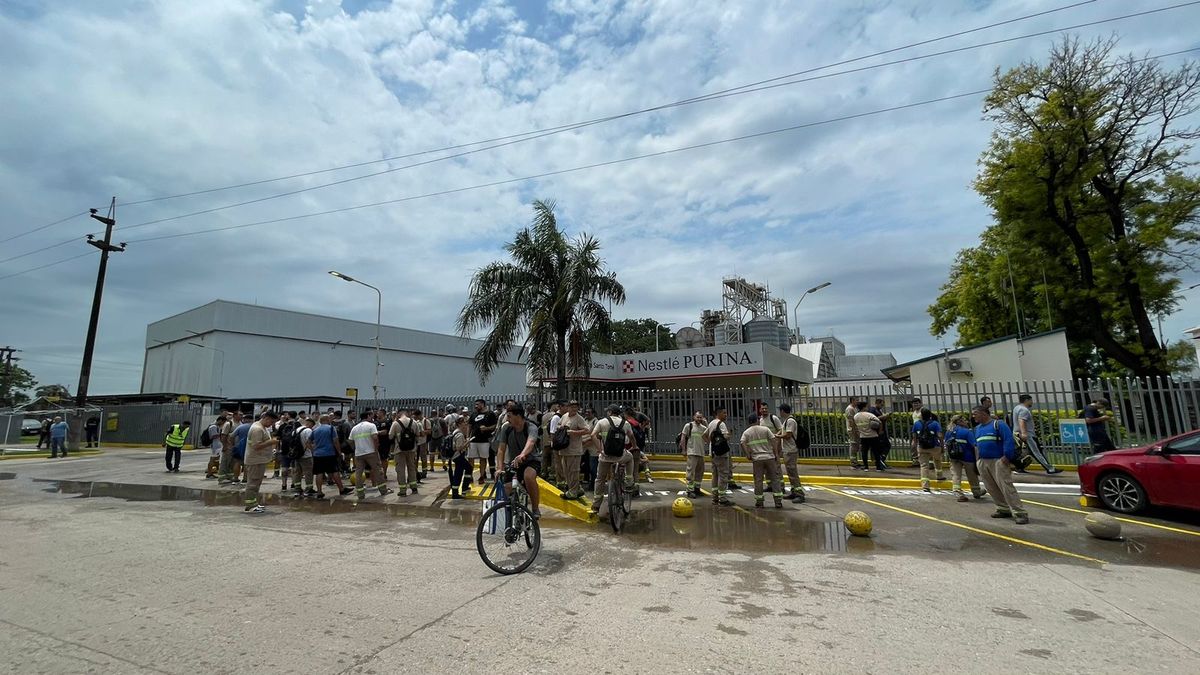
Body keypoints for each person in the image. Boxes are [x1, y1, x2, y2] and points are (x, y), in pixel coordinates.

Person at [972, 406, 1028, 524]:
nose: (973, 416)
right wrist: (977, 461)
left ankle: (1019, 512)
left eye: (975, 413)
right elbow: (976, 445)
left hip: (998, 460)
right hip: (983, 461)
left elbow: (1008, 440)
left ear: (983, 413)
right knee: (991, 487)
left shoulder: (998, 424)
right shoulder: (977, 429)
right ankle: (1003, 508)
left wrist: (1007, 456)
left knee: (1006, 486)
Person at [589, 405, 636, 516]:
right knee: (630, 458)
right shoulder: (625, 423)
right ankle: (629, 481)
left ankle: (596, 506)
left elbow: (592, 435)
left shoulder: (602, 422)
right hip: (620, 456)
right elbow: (632, 437)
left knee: (600, 479)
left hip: (605, 456)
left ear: (610, 412)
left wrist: (600, 450)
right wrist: (634, 446)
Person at [496, 405, 542, 519]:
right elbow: (501, 449)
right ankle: (511, 514)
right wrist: (499, 468)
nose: (507, 419)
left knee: (528, 476)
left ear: (518, 416)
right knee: (506, 486)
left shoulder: (531, 427)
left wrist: (522, 454)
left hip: (531, 461)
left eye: (509, 416)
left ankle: (535, 509)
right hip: (514, 463)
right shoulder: (506, 428)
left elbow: (531, 442)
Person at [742, 414, 785, 509]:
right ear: (757, 420)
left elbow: (742, 442)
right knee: (775, 479)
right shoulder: (765, 429)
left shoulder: (747, 432)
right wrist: (776, 454)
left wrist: (748, 454)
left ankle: (759, 502)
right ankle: (778, 502)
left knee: (758, 480)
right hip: (769, 457)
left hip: (757, 459)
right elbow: (773, 440)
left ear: (749, 422)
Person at [1013, 394, 1061, 474]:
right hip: (1028, 435)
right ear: (1027, 400)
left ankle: (1019, 467)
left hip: (1018, 433)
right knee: (1037, 452)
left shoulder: (1016, 408)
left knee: (1026, 452)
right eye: (1031, 400)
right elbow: (1022, 421)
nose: (1032, 402)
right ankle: (1050, 468)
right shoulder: (1024, 410)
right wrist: (1024, 433)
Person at [243, 411, 280, 513]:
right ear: (266, 418)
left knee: (257, 483)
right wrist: (271, 442)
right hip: (255, 460)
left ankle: (254, 502)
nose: (271, 424)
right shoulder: (257, 429)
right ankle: (250, 504)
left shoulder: (262, 428)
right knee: (253, 483)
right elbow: (256, 446)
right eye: (271, 421)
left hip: (259, 460)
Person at [350, 411, 391, 501]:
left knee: (359, 473)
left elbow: (350, 441)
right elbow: (375, 438)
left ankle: (360, 493)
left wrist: (356, 449)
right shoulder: (371, 426)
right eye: (371, 416)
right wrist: (376, 450)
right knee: (378, 471)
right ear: (368, 416)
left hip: (359, 453)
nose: (373, 418)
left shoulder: (354, 428)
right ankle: (383, 490)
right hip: (371, 452)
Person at [945, 415, 985, 502]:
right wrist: (977, 458)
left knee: (956, 475)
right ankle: (976, 492)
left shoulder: (949, 432)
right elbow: (974, 446)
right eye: (964, 420)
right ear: (959, 421)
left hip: (954, 457)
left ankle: (957, 492)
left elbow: (946, 444)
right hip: (968, 457)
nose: (966, 421)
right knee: (972, 475)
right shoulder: (967, 432)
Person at [311, 414, 351, 498]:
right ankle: (341, 489)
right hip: (329, 453)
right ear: (326, 420)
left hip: (318, 454)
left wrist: (313, 450)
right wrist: (339, 452)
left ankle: (319, 492)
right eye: (329, 418)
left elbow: (308, 442)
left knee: (319, 473)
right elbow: (335, 441)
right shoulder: (331, 428)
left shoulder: (315, 430)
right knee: (334, 471)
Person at [558, 400, 590, 500]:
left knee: (573, 471)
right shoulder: (564, 416)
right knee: (566, 471)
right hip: (564, 449)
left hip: (574, 450)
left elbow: (587, 430)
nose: (573, 409)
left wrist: (574, 432)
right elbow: (558, 425)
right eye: (572, 407)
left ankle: (573, 491)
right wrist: (562, 428)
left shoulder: (579, 418)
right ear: (568, 407)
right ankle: (577, 488)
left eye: (575, 407)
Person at [774, 403, 806, 502]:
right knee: (790, 473)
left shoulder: (790, 421)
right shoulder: (786, 421)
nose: (780, 412)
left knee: (793, 473)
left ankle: (800, 494)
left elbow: (788, 435)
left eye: (780, 410)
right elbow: (783, 431)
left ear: (783, 411)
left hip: (791, 451)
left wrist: (778, 436)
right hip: (787, 450)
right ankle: (794, 491)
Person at [703, 407, 734, 506]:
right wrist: (730, 434)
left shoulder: (711, 423)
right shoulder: (721, 424)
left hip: (713, 453)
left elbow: (704, 435)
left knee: (715, 475)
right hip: (721, 454)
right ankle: (723, 498)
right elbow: (725, 437)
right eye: (724, 413)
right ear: (718, 414)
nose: (726, 415)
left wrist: (711, 444)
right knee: (723, 475)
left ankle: (714, 497)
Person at [911, 408, 943, 492]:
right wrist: (942, 446)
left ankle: (925, 485)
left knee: (924, 466)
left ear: (921, 415)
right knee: (937, 460)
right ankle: (939, 475)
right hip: (934, 446)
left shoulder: (917, 424)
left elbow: (914, 437)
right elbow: (940, 435)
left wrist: (915, 446)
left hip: (922, 447)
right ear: (930, 415)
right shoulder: (935, 423)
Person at [390, 409, 421, 496]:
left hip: (399, 450)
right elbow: (418, 435)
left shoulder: (396, 423)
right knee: (411, 467)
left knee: (400, 470)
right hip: (411, 449)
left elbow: (390, 436)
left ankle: (403, 490)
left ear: (399, 414)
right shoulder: (414, 422)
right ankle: (414, 487)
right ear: (407, 413)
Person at [468, 399, 497, 489]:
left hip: (484, 440)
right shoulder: (473, 414)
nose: (476, 406)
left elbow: (495, 426)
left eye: (478, 404)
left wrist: (486, 428)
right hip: (473, 440)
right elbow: (469, 426)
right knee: (470, 458)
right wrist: (467, 437)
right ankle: (470, 476)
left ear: (483, 404)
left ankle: (481, 476)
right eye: (475, 404)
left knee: (483, 459)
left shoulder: (490, 414)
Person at [679, 411, 708, 498]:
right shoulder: (689, 426)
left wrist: (706, 423)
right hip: (692, 452)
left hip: (701, 452)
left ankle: (697, 488)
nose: (699, 419)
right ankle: (690, 490)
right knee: (690, 472)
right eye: (697, 417)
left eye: (700, 417)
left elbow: (709, 434)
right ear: (694, 417)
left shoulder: (703, 428)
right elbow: (683, 438)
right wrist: (684, 450)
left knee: (700, 471)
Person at [852, 402, 884, 471]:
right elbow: (880, 422)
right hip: (873, 436)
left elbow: (855, 427)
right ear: (864, 407)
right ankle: (878, 467)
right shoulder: (869, 415)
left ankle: (866, 467)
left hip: (863, 437)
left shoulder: (856, 416)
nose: (867, 408)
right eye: (866, 406)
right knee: (876, 452)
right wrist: (880, 431)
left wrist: (859, 434)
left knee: (864, 452)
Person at [292, 416, 316, 497]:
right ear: (310, 424)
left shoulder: (296, 430)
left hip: (296, 455)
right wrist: (313, 451)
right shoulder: (308, 430)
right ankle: (309, 489)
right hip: (306, 455)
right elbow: (308, 443)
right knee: (308, 473)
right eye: (312, 425)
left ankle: (297, 489)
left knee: (297, 472)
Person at [448, 416, 471, 499]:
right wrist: (467, 443)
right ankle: (458, 491)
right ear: (460, 424)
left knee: (462, 471)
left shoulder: (455, 432)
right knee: (461, 472)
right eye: (464, 422)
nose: (466, 424)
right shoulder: (460, 434)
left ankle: (460, 489)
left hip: (455, 456)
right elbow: (458, 448)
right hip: (458, 456)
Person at [868, 398, 893, 471]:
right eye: (881, 404)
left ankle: (881, 459)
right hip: (878, 432)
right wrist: (883, 416)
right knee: (884, 446)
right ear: (877, 403)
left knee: (886, 445)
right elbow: (873, 419)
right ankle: (880, 460)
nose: (882, 406)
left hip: (882, 431)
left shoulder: (879, 411)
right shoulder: (873, 410)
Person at [217, 411, 239, 484]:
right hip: (228, 446)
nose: (242, 416)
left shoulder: (240, 424)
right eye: (240, 415)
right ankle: (222, 477)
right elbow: (223, 435)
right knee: (225, 462)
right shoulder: (228, 424)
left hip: (235, 447)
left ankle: (229, 476)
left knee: (232, 462)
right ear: (235, 415)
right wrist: (224, 446)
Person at [230, 415, 251, 484]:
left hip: (239, 446)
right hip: (249, 447)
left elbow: (232, 436)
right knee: (246, 463)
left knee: (237, 462)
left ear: (245, 420)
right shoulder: (254, 427)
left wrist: (233, 444)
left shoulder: (240, 426)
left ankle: (235, 478)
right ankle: (245, 479)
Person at [204, 415, 226, 479]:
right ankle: (209, 473)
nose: (223, 424)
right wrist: (221, 435)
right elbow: (213, 436)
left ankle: (212, 472)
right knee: (212, 460)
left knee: (215, 459)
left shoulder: (216, 426)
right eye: (223, 422)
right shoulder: (213, 427)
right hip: (215, 446)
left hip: (217, 446)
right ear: (220, 420)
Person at [844, 397, 862, 470]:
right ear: (852, 401)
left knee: (856, 445)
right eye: (856, 400)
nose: (858, 402)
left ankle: (855, 462)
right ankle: (853, 463)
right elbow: (851, 421)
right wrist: (855, 430)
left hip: (855, 429)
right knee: (853, 445)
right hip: (852, 430)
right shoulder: (850, 409)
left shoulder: (855, 408)